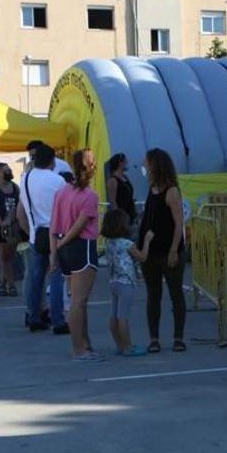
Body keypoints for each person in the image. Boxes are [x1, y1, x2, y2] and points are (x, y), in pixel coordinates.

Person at [52, 149, 103, 361]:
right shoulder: (90, 196)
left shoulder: (62, 192)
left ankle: (85, 343)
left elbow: (53, 225)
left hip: (65, 248)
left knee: (78, 301)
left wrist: (55, 251)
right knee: (79, 302)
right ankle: (79, 348)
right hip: (81, 247)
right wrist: (62, 244)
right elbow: (79, 226)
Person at [137, 148, 188, 353]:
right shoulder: (152, 189)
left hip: (168, 251)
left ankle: (178, 337)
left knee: (176, 293)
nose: (145, 168)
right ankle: (154, 338)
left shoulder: (171, 191)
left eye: (147, 164)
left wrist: (174, 250)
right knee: (153, 295)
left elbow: (178, 223)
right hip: (150, 252)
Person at [17, 145, 69, 334]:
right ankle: (58, 320)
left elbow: (22, 209)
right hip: (57, 234)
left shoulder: (26, 179)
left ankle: (34, 317)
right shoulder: (58, 181)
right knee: (55, 278)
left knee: (35, 278)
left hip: (35, 234)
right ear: (52, 160)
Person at [102, 208, 154, 356]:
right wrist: (147, 241)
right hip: (126, 282)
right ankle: (128, 347)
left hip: (113, 281)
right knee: (123, 316)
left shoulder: (108, 243)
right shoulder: (126, 244)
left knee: (114, 315)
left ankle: (120, 345)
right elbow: (142, 257)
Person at [0, 163, 21, 297]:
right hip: (0, 226)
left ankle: (3, 284)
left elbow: (20, 205)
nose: (8, 171)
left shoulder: (15, 187)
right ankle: (11, 285)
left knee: (10, 256)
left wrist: (12, 219)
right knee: (5, 255)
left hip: (14, 226)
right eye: (4, 170)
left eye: (8, 169)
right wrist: (2, 223)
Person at [105, 152, 136, 228]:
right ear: (120, 163)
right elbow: (112, 201)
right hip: (122, 219)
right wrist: (119, 219)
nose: (127, 163)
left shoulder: (125, 177)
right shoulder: (113, 180)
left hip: (131, 216)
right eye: (125, 161)